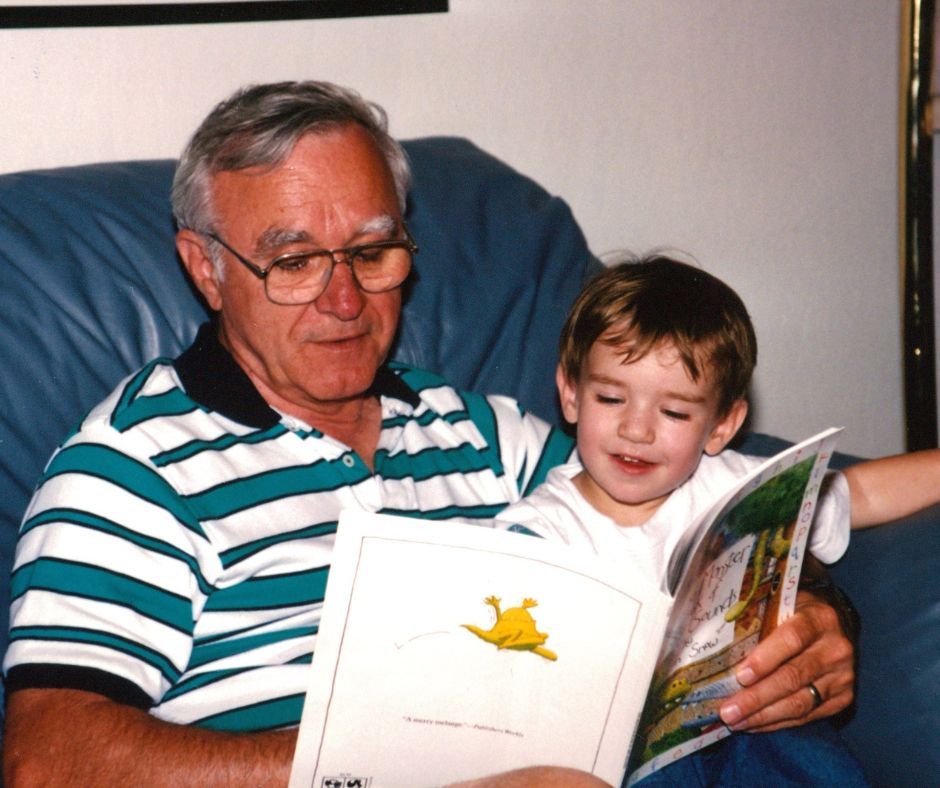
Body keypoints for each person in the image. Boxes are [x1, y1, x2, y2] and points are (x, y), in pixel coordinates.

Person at [0, 82, 855, 787]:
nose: (345, 301)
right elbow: (47, 760)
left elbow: (694, 511)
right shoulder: (132, 467)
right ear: (205, 268)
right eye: (294, 263)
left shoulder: (482, 433)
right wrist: (374, 758)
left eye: (373, 252)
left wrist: (805, 614)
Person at [495, 255, 940, 785]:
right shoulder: (538, 531)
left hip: (752, 720)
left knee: (806, 753)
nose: (636, 430)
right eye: (611, 398)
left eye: (675, 413)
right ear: (570, 393)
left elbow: (861, 490)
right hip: (626, 757)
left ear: (722, 424)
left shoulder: (736, 485)